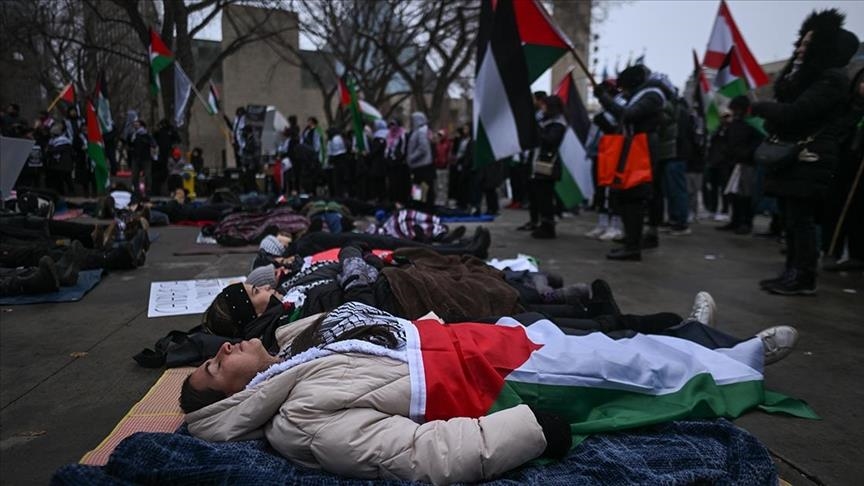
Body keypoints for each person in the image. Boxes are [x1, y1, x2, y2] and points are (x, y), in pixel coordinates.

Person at [180, 298, 801, 484]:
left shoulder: (293, 345)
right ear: (231, 401)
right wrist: (530, 430)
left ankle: (698, 332)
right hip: (496, 382)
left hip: (484, 340)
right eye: (213, 369)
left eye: (213, 352)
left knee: (608, 342)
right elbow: (422, 456)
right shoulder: (302, 422)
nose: (222, 350)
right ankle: (740, 362)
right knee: (633, 369)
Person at [752, 9, 859, 295]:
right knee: (791, 218)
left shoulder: (831, 79)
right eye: (800, 43)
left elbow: (796, 113)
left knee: (802, 220)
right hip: (795, 155)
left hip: (810, 157)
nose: (800, 49)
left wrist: (761, 107)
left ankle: (803, 277)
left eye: (807, 45)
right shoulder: (808, 78)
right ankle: (791, 272)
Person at [595, 65, 667, 261]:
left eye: (624, 88)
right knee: (626, 197)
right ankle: (630, 241)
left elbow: (628, 114)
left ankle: (633, 247)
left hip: (641, 151)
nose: (623, 92)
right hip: (634, 149)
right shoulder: (642, 95)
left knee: (634, 197)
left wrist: (604, 98)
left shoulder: (652, 95)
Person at [823, 68, 864, 272]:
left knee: (857, 212)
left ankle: (857, 254)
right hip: (841, 167)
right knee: (835, 208)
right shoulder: (848, 108)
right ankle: (831, 250)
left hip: (859, 171)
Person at [715, 96, 764, 235]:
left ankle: (746, 222)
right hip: (732, 162)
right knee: (733, 194)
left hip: (746, 163)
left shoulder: (752, 125)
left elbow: (757, 143)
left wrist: (746, 153)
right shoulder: (733, 124)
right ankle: (735, 220)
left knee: (745, 195)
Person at [520, 95, 566, 239]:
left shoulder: (558, 123)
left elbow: (550, 140)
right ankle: (540, 223)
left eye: (544, 106)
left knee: (545, 197)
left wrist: (537, 129)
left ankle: (548, 226)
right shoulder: (544, 121)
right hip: (537, 163)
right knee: (537, 196)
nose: (542, 108)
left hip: (547, 165)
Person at [406, 112, 435, 210]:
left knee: (422, 187)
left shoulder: (422, 131)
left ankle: (422, 207)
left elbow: (423, 148)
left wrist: (411, 158)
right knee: (418, 187)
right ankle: (419, 206)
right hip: (419, 166)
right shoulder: (420, 131)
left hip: (422, 166)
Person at [45, 123, 75, 196]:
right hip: (57, 165)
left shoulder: (64, 141)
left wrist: (49, 150)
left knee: (68, 180)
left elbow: (53, 151)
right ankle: (61, 193)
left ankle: (71, 193)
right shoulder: (52, 141)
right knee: (59, 181)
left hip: (64, 165)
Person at [384, 119, 409, 204]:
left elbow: (403, 150)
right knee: (391, 184)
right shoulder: (388, 135)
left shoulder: (402, 135)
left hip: (399, 165)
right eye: (390, 125)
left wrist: (397, 159)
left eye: (393, 125)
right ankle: (392, 201)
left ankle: (400, 202)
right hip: (390, 165)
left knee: (399, 184)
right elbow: (387, 149)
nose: (392, 127)